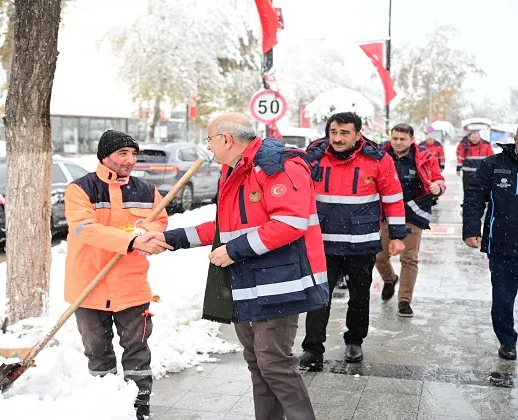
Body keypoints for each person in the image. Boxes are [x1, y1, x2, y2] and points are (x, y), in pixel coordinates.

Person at [149, 112, 328, 420]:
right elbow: (224, 227)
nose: (209, 146)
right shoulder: (234, 171)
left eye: (210, 139)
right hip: (247, 284)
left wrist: (233, 251)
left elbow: (290, 222)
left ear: (226, 140)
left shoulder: (276, 166)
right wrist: (170, 237)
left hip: (278, 285)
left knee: (275, 365)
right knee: (259, 365)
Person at [64, 130, 172, 420]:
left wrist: (152, 237)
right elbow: (85, 229)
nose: (130, 160)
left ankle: (140, 409)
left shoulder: (147, 190)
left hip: (131, 285)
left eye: (134, 154)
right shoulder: (79, 190)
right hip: (89, 286)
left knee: (137, 351)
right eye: (123, 153)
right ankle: (106, 406)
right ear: (105, 156)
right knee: (98, 352)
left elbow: (160, 223)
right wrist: (132, 240)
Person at [299, 112, 407, 368]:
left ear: (358, 134)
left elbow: (392, 197)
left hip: (362, 242)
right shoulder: (313, 156)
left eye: (344, 133)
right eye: (333, 132)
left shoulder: (378, 159)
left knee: (359, 296)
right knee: (318, 297)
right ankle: (313, 349)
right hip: (322, 242)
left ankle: (354, 341)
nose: (337, 138)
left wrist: (397, 235)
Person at [376, 123, 446, 317]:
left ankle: (404, 301)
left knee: (409, 258)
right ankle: (390, 279)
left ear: (412, 140)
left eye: (403, 139)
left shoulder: (424, 157)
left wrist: (437, 188)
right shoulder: (380, 154)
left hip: (412, 213)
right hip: (384, 213)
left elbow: (439, 179)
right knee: (379, 257)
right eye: (395, 138)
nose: (398, 142)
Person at [462, 127, 518, 361]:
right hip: (503, 245)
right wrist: (471, 229)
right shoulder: (494, 164)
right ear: (516, 140)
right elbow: (474, 197)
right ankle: (507, 340)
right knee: (503, 297)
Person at [457, 131, 494, 198]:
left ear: (480, 137)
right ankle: (467, 202)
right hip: (468, 172)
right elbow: (461, 157)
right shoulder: (465, 145)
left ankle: (479, 202)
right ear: (469, 138)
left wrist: (492, 168)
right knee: (467, 188)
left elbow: (491, 158)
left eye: (476, 137)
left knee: (481, 189)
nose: (474, 139)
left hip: (481, 172)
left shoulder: (486, 145)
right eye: (472, 137)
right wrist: (458, 168)